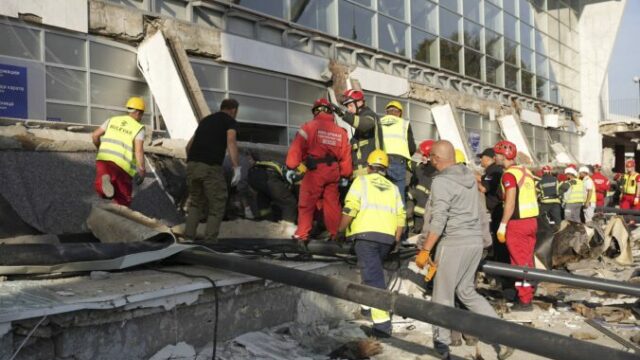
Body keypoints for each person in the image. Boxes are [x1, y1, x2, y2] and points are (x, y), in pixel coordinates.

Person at [415, 140, 513, 360]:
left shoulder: (441, 182)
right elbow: (480, 210)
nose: (429, 161)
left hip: (454, 243)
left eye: (431, 157)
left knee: (442, 296)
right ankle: (505, 336)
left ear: (437, 159)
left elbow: (438, 219)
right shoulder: (469, 176)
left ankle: (441, 346)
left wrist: (425, 250)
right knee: (467, 292)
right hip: (474, 242)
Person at [337, 149, 405, 338]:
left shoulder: (361, 181)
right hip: (386, 239)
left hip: (366, 237)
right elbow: (401, 216)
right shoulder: (392, 188)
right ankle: (367, 309)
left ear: (368, 167)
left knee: (374, 280)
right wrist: (396, 239)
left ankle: (382, 326)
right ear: (385, 169)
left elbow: (350, 207)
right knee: (373, 273)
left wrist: (339, 231)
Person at [286, 98, 352, 244]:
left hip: (315, 171)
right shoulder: (341, 132)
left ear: (316, 111)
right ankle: (336, 235)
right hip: (333, 172)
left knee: (306, 202)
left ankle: (302, 235)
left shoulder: (309, 127)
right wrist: (345, 174)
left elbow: (296, 150)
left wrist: (292, 165)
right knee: (332, 205)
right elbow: (346, 157)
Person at [184, 99, 241, 242]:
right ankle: (210, 242)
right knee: (217, 204)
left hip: (192, 165)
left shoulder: (205, 121)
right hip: (210, 167)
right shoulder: (229, 121)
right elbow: (231, 142)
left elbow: (188, 146)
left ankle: (188, 238)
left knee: (196, 203)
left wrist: (193, 161)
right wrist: (236, 167)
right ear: (233, 110)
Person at [494, 140, 539, 312]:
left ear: (503, 155)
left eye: (497, 154)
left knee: (518, 262)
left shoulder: (508, 175)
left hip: (517, 223)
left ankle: (525, 299)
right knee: (527, 259)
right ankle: (530, 290)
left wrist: (502, 225)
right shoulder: (525, 171)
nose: (495, 157)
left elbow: (510, 202)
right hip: (531, 221)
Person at [92, 96, 146, 207]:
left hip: (104, 159)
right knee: (123, 198)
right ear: (137, 112)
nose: (141, 117)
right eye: (142, 114)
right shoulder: (138, 127)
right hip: (122, 165)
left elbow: (95, 135)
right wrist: (141, 169)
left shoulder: (112, 120)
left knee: (102, 187)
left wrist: (100, 148)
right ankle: (121, 215)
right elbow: (139, 151)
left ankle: (104, 182)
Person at [331, 89, 383, 177]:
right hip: (361, 172)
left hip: (371, 171)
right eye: (347, 107)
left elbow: (366, 124)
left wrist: (342, 114)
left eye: (350, 105)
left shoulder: (369, 115)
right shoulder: (359, 120)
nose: (349, 109)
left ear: (359, 103)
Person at [379, 100, 416, 201]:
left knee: (382, 195)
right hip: (398, 162)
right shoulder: (404, 123)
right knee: (398, 197)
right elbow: (412, 148)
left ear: (387, 112)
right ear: (399, 113)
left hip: (380, 161)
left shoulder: (378, 122)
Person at [247, 157, 297, 228]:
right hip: (269, 176)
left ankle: (266, 221)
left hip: (253, 174)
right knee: (289, 202)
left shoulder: (274, 163)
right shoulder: (295, 171)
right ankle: (288, 227)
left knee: (264, 196)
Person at [407, 140, 437, 234]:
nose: (417, 155)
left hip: (421, 216)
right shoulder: (422, 169)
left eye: (420, 152)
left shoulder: (422, 170)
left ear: (427, 156)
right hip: (422, 214)